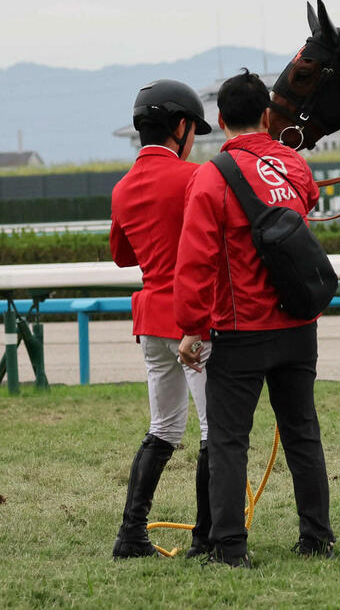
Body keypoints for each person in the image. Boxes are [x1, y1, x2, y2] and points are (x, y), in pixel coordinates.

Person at [175, 69, 335, 568]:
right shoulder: (294, 165)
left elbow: (196, 260)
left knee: (227, 439)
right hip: (298, 325)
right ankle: (317, 538)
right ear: (267, 115)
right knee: (302, 432)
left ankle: (230, 547)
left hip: (240, 329)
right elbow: (304, 205)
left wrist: (192, 328)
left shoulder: (210, 176)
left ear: (221, 120)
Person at [110, 79, 214, 559]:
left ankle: (131, 535)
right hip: (194, 318)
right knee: (215, 430)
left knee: (164, 428)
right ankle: (206, 538)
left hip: (151, 319)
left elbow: (120, 255)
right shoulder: (194, 176)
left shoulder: (123, 188)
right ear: (180, 127)